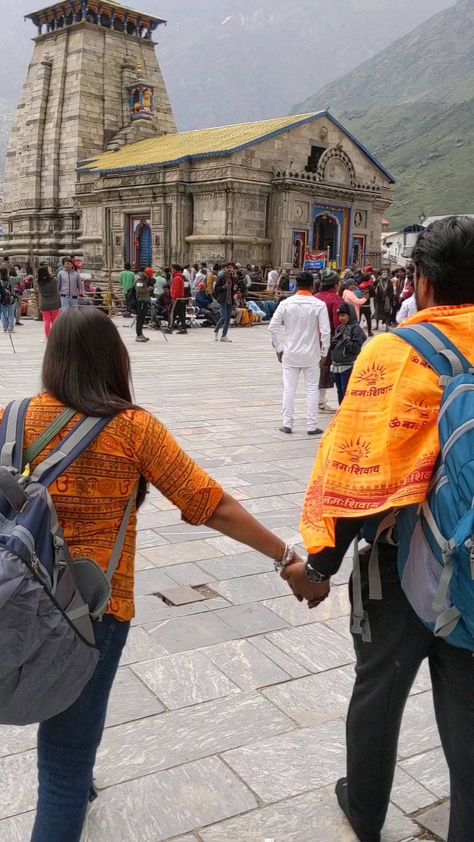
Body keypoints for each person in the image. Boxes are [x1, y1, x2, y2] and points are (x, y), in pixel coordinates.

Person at [0, 306, 305, 842]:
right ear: (115, 359)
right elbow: (210, 503)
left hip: (13, 595)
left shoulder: (9, 415)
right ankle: (77, 772)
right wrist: (287, 558)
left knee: (61, 722)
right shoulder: (131, 428)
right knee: (64, 770)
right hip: (92, 613)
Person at [282, 216, 474, 842]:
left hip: (403, 560)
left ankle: (364, 809)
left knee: (380, 692)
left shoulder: (393, 353)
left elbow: (355, 472)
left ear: (420, 281)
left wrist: (321, 565)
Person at [268, 271, 331, 435]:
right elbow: (325, 331)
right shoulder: (318, 304)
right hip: (312, 354)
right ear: (312, 285)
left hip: (290, 353)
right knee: (311, 389)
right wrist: (324, 352)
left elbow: (272, 327)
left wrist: (278, 348)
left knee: (289, 389)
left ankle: (287, 424)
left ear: (296, 284)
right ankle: (311, 426)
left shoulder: (286, 303)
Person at [315, 269, 343, 414]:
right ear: (335, 284)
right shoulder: (336, 300)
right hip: (327, 340)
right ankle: (320, 401)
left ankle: (315, 399)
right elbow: (338, 323)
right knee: (325, 369)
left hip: (312, 340)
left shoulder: (315, 297)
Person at [330, 302, 367, 403]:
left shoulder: (356, 329)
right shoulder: (340, 328)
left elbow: (356, 348)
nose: (341, 318)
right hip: (336, 365)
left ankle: (347, 411)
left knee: (346, 390)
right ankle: (341, 410)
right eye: (339, 315)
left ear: (350, 315)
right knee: (339, 391)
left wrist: (345, 340)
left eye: (343, 315)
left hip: (347, 365)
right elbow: (333, 345)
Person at [37, 263, 61, 337]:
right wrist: (51, 274)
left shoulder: (39, 282)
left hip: (44, 303)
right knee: (54, 321)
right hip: (54, 302)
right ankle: (54, 336)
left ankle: (47, 336)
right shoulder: (53, 280)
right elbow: (56, 289)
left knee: (46, 321)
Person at [213, 268, 235, 342]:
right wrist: (223, 287)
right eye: (228, 268)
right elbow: (216, 289)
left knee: (228, 319)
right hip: (223, 300)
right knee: (224, 317)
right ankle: (216, 330)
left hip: (230, 300)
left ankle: (224, 335)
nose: (229, 269)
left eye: (230, 268)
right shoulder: (221, 277)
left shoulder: (232, 278)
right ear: (225, 269)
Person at [134, 269, 153, 342]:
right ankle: (138, 335)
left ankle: (141, 334)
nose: (148, 277)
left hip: (144, 301)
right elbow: (139, 290)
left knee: (142, 319)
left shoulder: (144, 280)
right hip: (140, 301)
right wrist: (148, 289)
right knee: (140, 318)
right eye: (148, 275)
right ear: (145, 273)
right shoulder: (139, 280)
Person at [168, 264, 187, 334]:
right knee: (180, 314)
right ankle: (183, 328)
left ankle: (170, 327)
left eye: (172, 269)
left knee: (172, 313)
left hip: (177, 298)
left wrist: (173, 298)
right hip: (180, 298)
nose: (171, 270)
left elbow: (176, 289)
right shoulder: (180, 277)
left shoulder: (176, 278)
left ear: (175, 269)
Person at [0, 266, 16, 333]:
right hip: (10, 298)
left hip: (2, 299)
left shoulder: (0, 280)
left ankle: (5, 327)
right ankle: (11, 328)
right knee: (11, 313)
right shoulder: (10, 279)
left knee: (3, 313)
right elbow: (20, 278)